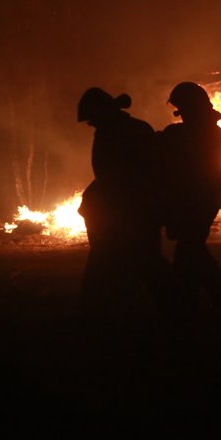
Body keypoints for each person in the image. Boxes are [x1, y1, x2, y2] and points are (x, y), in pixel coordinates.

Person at [77, 87, 174, 320]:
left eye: (92, 119)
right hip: (122, 210)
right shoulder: (123, 129)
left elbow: (146, 173)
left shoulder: (125, 133)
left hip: (132, 211)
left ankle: (174, 314)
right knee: (132, 263)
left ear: (102, 113)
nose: (91, 125)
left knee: (143, 263)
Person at [159, 82, 221, 312]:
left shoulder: (201, 136)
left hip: (197, 202)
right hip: (200, 201)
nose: (182, 115)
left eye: (184, 109)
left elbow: (182, 156)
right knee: (189, 251)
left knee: (192, 250)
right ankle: (191, 301)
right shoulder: (206, 133)